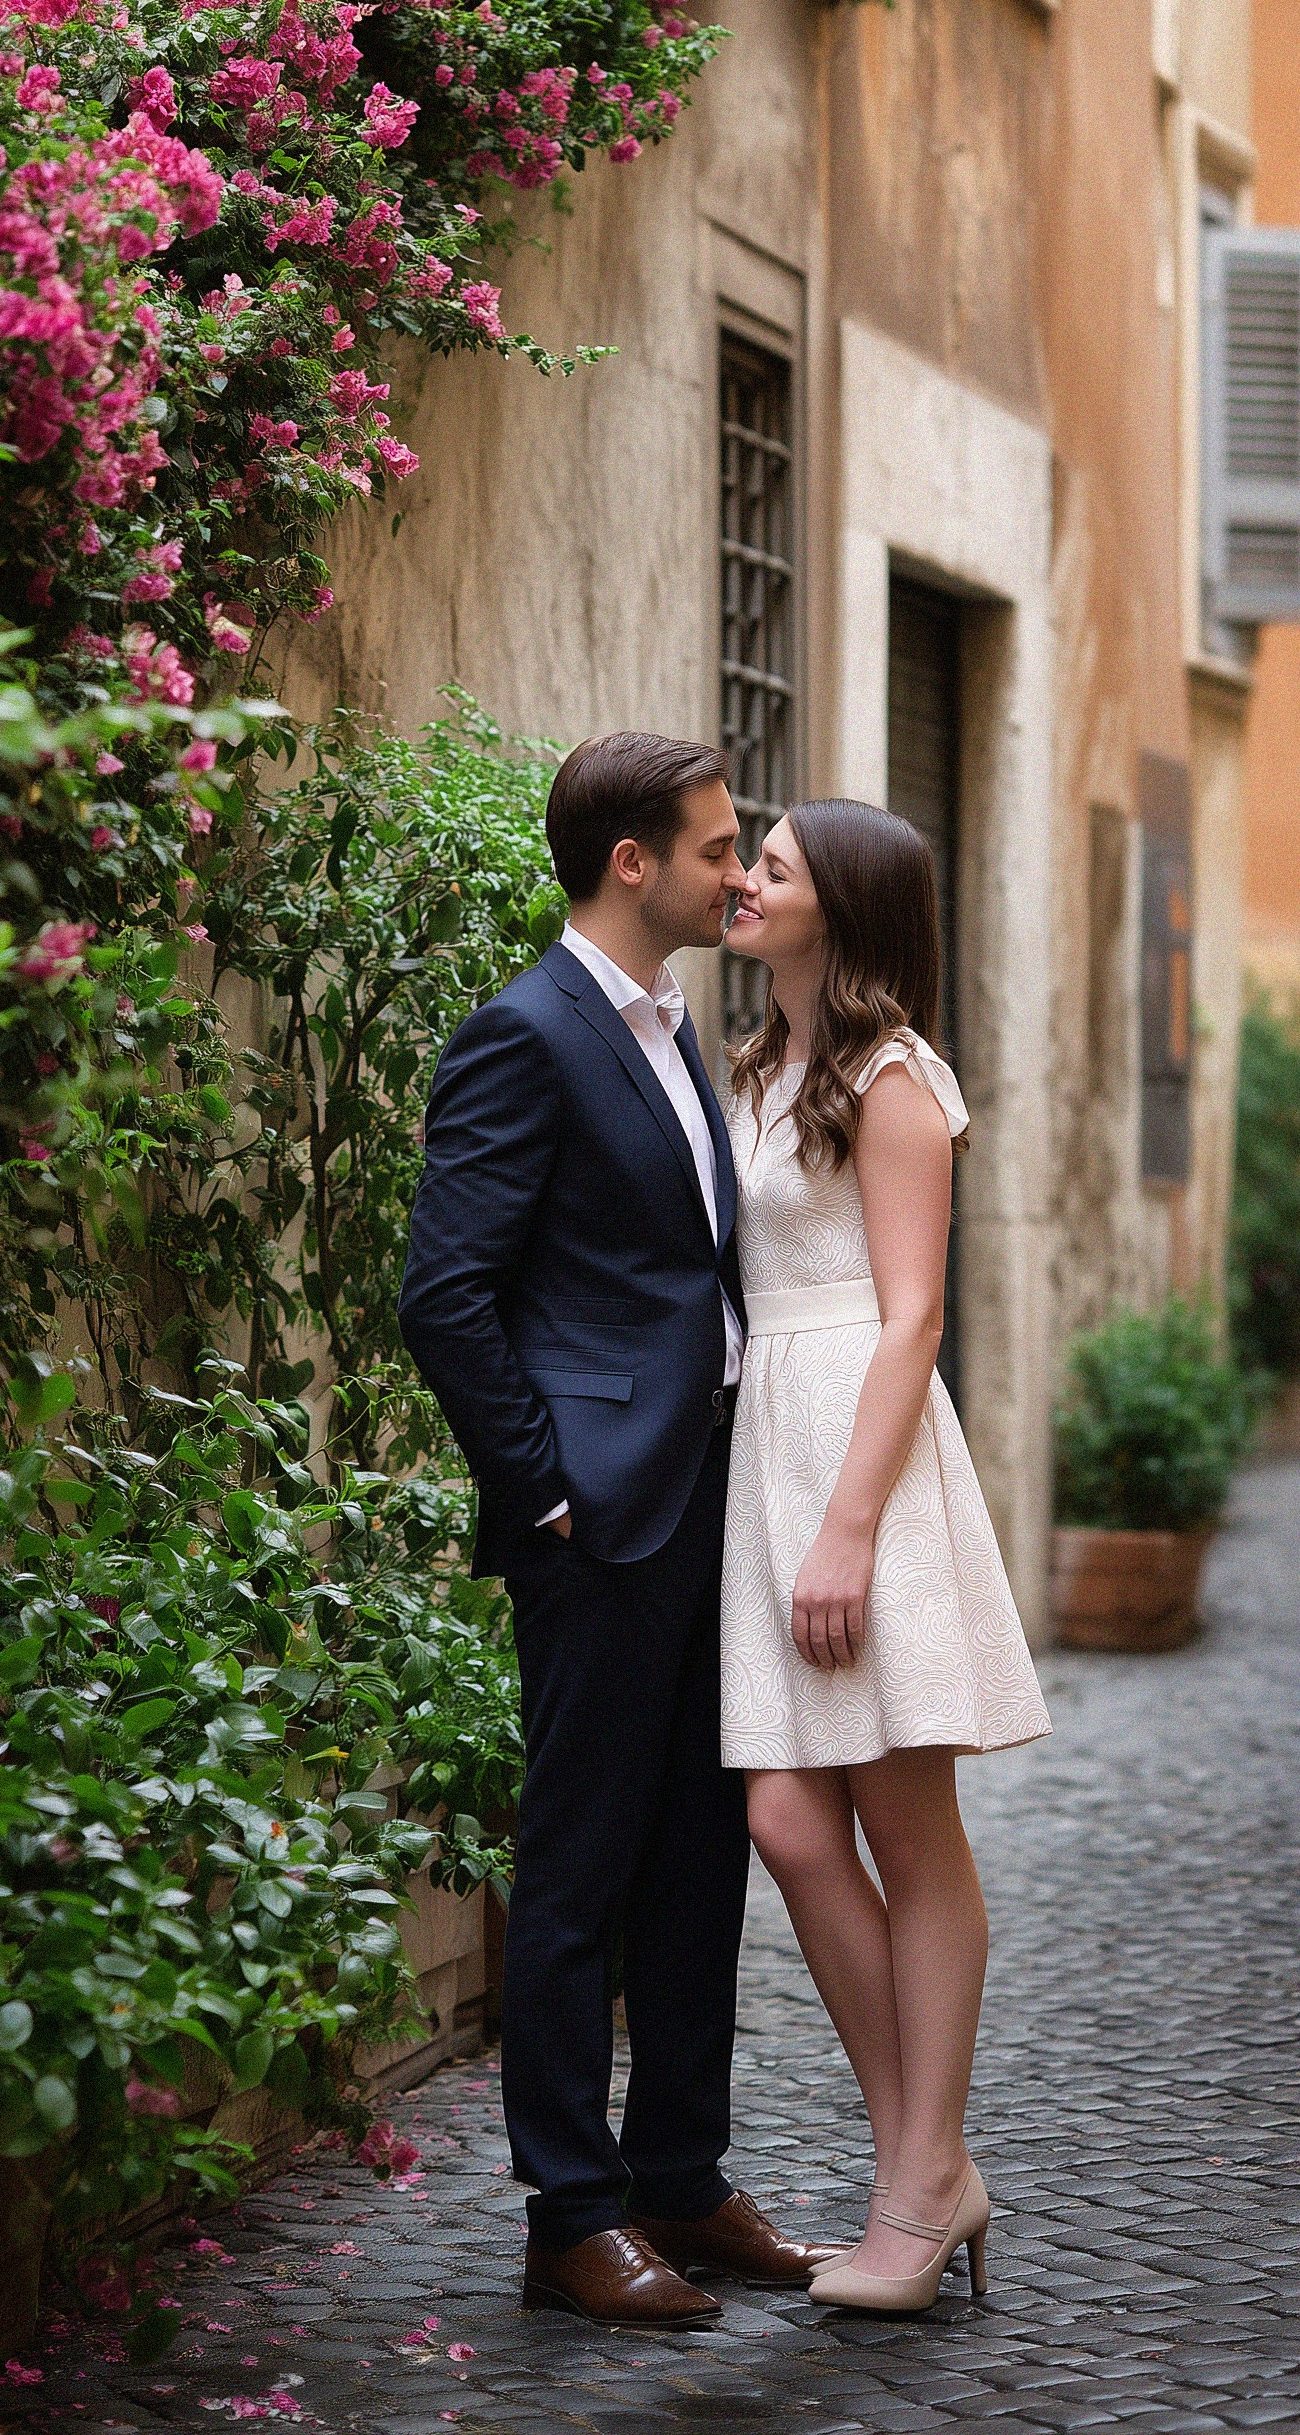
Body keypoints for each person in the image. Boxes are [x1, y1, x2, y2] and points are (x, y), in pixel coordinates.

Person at [399, 733, 846, 2329]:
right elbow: (444, 1294)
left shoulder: (678, 1030)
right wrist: (546, 1488)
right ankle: (569, 2215)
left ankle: (679, 2175)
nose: (743, 873)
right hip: (599, 1519)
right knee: (580, 1867)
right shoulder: (524, 1034)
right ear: (632, 862)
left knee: (695, 1857)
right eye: (721, 848)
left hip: (711, 1499)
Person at [719, 797, 1051, 2314]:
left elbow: (912, 1314)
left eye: (770, 867)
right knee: (790, 1822)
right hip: (767, 1456)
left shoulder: (895, 1077)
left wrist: (849, 1523)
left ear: (838, 909)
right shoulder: (754, 1062)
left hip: (865, 1459)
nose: (743, 879)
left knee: (909, 1832)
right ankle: (925, 2158)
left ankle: (919, 2188)